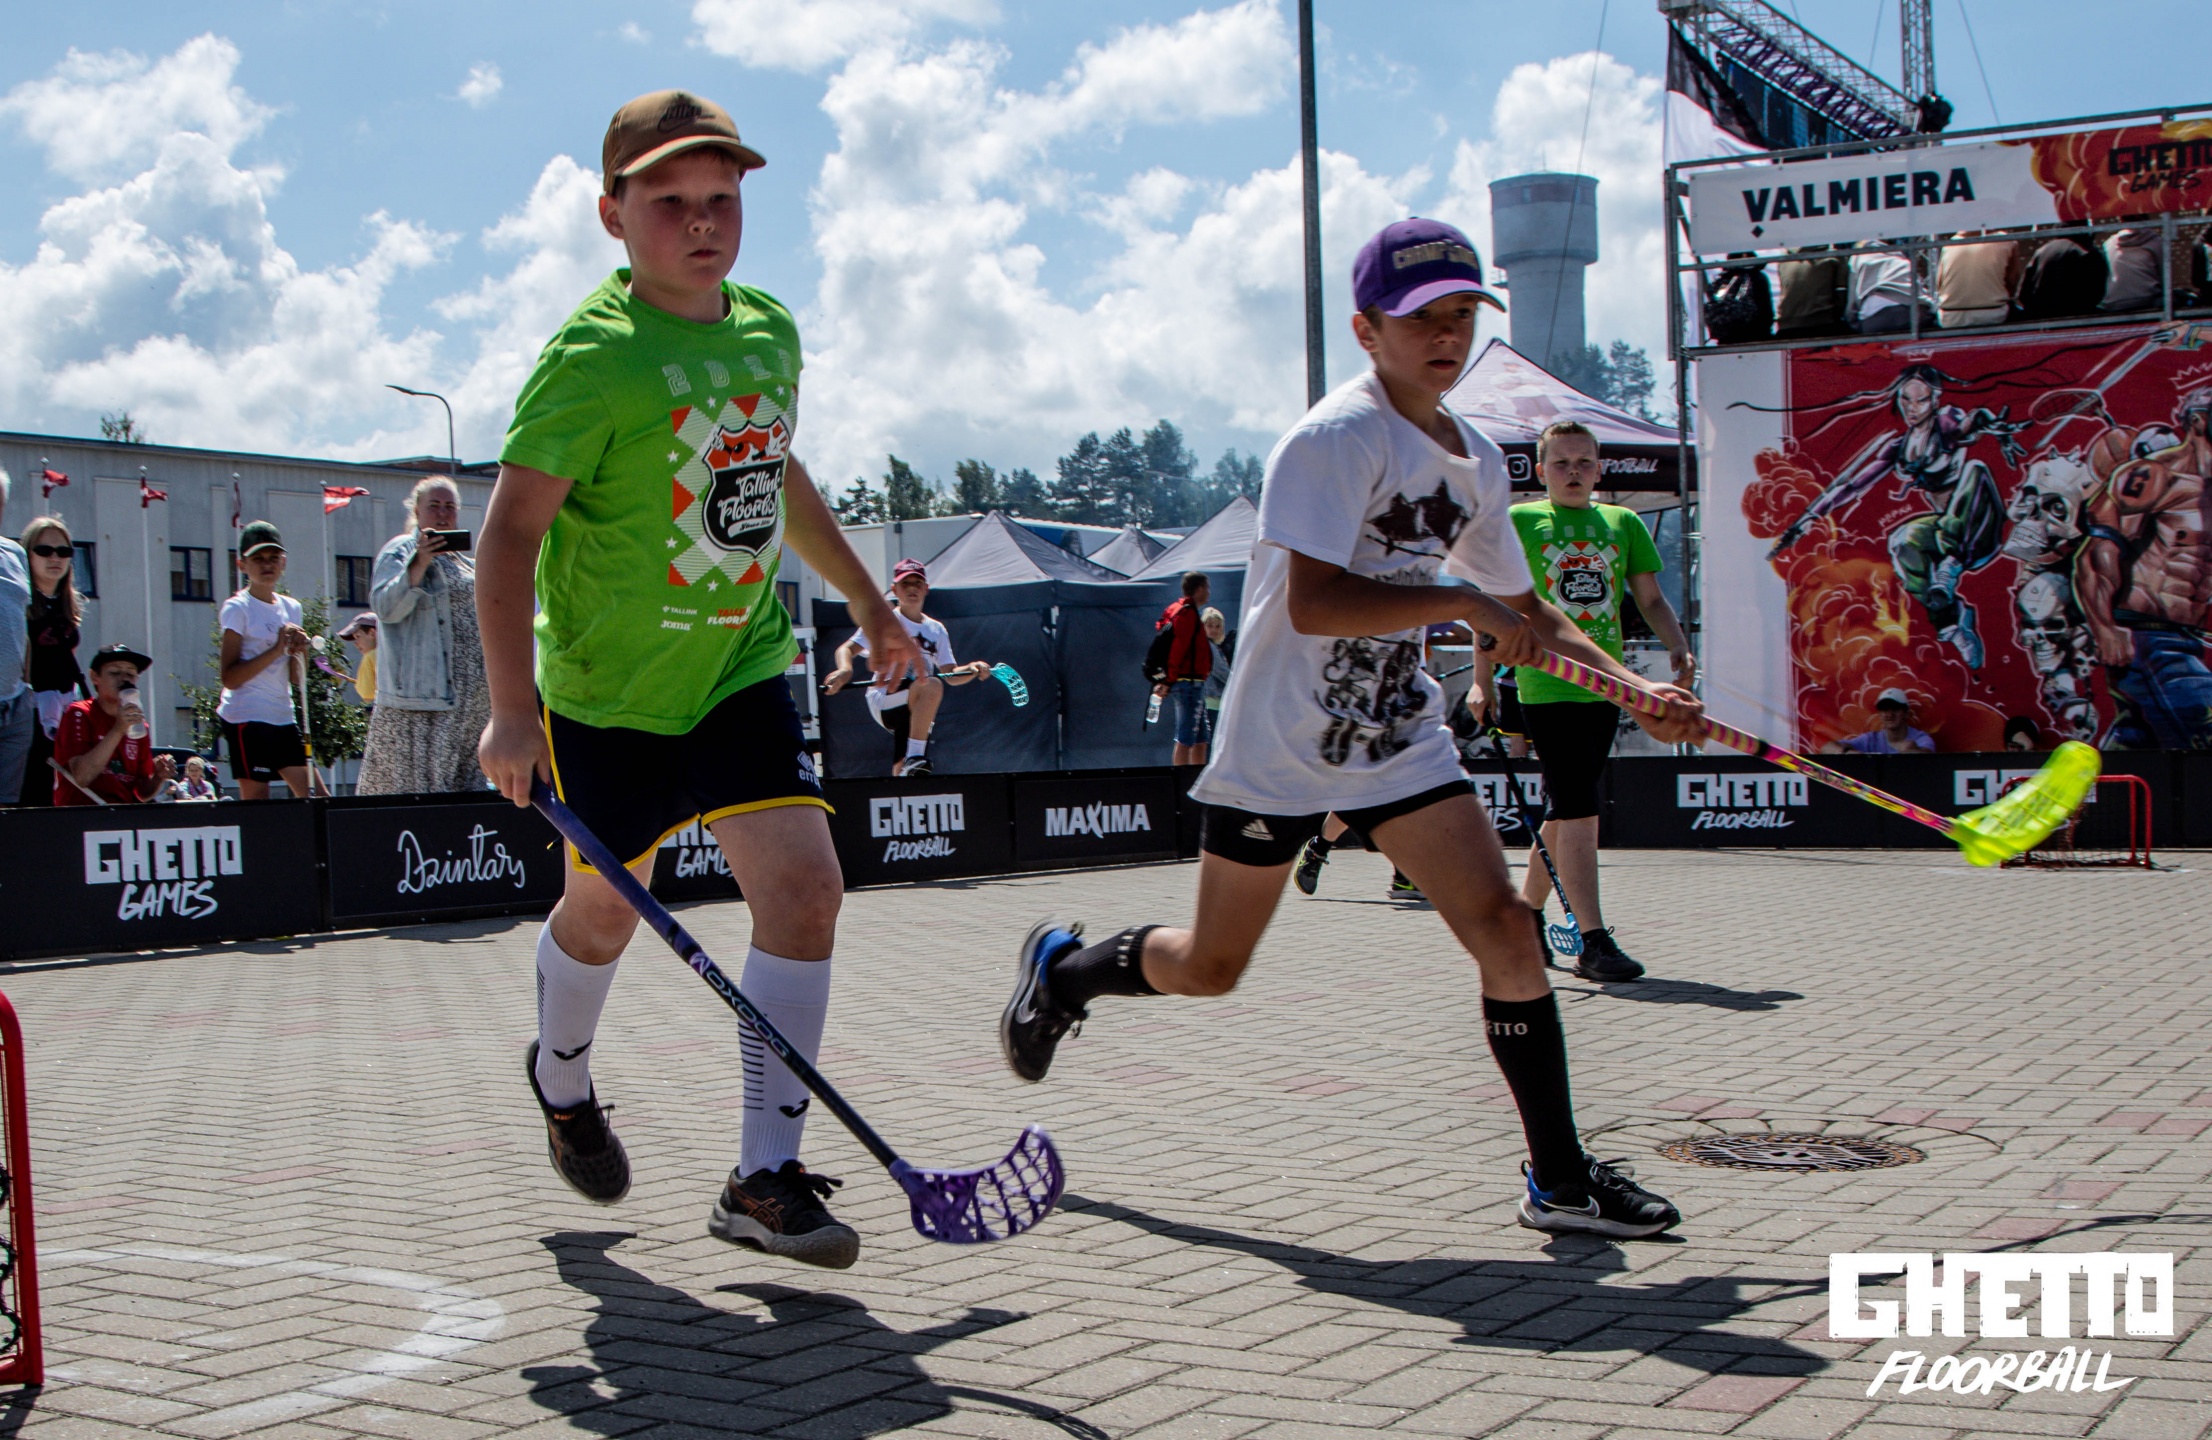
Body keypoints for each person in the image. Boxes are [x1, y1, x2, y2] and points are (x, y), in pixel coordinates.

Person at [997, 217, 1706, 1240]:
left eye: (1462, 315)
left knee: (1507, 928)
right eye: (1422, 318)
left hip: (1393, 738)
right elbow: (1316, 604)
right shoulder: (1333, 440)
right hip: (1281, 742)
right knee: (1211, 966)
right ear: (1367, 329)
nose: (1447, 336)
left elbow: (1529, 610)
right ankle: (1065, 971)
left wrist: (1632, 686)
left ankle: (1560, 1181)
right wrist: (1457, 601)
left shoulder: (1476, 462)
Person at [477, 90, 926, 1271]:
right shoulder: (591, 360)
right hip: (605, 696)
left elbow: (774, 475)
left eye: (720, 199)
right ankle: (561, 1079)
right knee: (603, 912)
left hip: (735, 666)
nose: (701, 223)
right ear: (612, 216)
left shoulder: (768, 331)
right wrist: (512, 710)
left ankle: (762, 1178)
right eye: (669, 201)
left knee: (806, 889)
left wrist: (870, 602)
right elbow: (508, 535)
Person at [1505, 421, 1695, 983]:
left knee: (1567, 808)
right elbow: (1495, 604)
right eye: (1561, 463)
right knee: (1579, 810)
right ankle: (1592, 940)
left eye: (1584, 462)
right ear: (1541, 470)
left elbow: (1651, 599)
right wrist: (1483, 680)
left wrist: (1677, 644)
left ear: (1599, 469)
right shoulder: (1520, 520)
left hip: (1611, 685)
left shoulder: (1622, 522)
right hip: (1547, 682)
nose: (1573, 472)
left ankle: (1525, 917)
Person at [358, 477, 490, 794]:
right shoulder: (400, 550)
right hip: (424, 703)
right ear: (417, 510)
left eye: (449, 507)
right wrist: (419, 562)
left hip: (471, 703)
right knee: (419, 796)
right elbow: (385, 608)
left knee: (464, 794)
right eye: (434, 506)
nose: (443, 513)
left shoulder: (464, 561)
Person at [822, 558, 992, 778]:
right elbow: (846, 648)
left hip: (918, 701)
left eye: (917, 583)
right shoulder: (885, 621)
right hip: (885, 698)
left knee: (905, 769)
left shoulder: (936, 629)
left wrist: (972, 668)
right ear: (894, 589)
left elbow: (951, 674)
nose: (912, 588)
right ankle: (914, 758)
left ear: (926, 588)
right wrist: (845, 670)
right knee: (931, 686)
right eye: (905, 583)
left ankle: (906, 772)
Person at [216, 521, 315, 800]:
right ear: (241, 565)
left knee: (316, 798)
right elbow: (229, 678)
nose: (267, 565)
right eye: (258, 558)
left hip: (282, 716)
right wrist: (276, 649)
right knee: (258, 803)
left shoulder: (292, 607)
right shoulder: (238, 607)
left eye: (273, 558)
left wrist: (301, 648)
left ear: (283, 563)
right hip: (246, 716)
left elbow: (297, 678)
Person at [52, 643, 175, 805]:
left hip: (121, 814)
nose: (124, 679)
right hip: (82, 813)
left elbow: (141, 793)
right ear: (95, 677)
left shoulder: (138, 725)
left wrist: (158, 777)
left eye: (130, 674)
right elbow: (82, 777)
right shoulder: (80, 713)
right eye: (115, 672)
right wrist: (118, 729)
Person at [20, 516, 88, 805]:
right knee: (31, 795)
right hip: (28, 713)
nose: (55, 558)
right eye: (44, 550)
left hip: (64, 710)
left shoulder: (67, 607)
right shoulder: (18, 603)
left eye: (63, 551)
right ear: (27, 555)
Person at [1151, 572, 1213, 766]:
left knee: (1201, 738)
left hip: (1192, 683)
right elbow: (1178, 649)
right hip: (1188, 683)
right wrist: (1169, 680)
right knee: (1185, 737)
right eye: (1207, 588)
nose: (1209, 593)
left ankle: (1195, 777)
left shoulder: (1176, 609)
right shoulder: (1187, 614)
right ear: (1199, 589)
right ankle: (1180, 778)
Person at [0, 473, 28, 807]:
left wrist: (27, 688)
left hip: (15, 703)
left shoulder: (15, 553)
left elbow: (22, 623)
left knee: (7, 811)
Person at [1935, 232, 2022, 329]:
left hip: (1950, 318)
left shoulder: (1949, 245)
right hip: (1994, 314)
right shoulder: (2006, 240)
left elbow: (1939, 285)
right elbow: (2013, 281)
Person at [1819, 688, 1933, 754]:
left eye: (1895, 709)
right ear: (1880, 714)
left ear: (1906, 713)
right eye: (1885, 709)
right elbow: (1826, 748)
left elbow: (1928, 759)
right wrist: (1847, 752)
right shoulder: (1870, 739)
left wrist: (1911, 751)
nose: (1890, 714)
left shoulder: (1921, 738)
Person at [1849, 241, 1927, 335]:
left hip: (1875, 319)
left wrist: (1853, 324)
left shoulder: (1857, 257)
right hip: (1911, 313)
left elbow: (1852, 303)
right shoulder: (1902, 259)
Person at [1198, 606, 1233, 745]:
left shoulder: (1207, 645)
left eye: (1217, 626)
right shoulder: (1208, 647)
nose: (1214, 629)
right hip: (1213, 703)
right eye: (1210, 625)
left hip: (1210, 702)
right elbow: (1223, 673)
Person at [336, 612, 378, 704]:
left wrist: (361, 684)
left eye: (358, 636)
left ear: (372, 633)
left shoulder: (370, 657)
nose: (356, 644)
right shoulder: (398, 651)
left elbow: (367, 695)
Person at [155, 754, 222, 803]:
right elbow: (154, 800)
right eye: (191, 770)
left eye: (196, 770)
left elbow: (184, 796)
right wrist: (166, 793)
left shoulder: (172, 783)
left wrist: (207, 797)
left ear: (201, 771)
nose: (175, 768)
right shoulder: (156, 783)